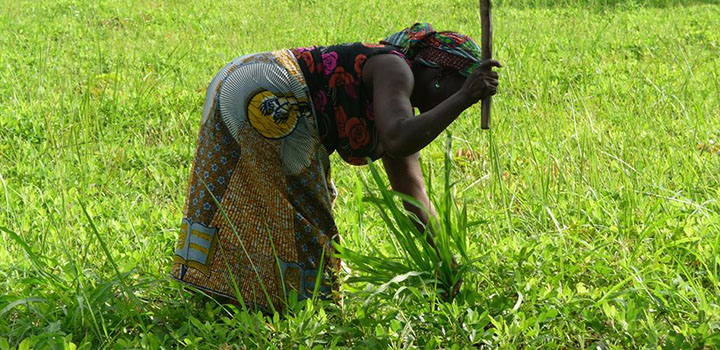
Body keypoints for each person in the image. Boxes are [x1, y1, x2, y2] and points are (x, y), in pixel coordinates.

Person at [170, 22, 501, 312]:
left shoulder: (394, 105)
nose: (455, 102)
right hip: (271, 89)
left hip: (241, 78)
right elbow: (400, 137)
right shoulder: (394, 68)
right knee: (307, 213)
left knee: (249, 198)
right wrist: (465, 97)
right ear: (441, 75)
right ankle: (316, 309)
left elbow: (414, 196)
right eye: (457, 88)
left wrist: (447, 261)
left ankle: (230, 297)